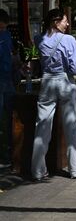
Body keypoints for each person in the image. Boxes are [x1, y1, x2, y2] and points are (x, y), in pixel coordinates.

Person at [32, 8, 76, 181]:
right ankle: (74, 169)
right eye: (65, 20)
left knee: (42, 126)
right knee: (72, 126)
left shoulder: (39, 39)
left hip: (46, 81)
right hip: (65, 82)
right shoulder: (69, 40)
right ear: (56, 22)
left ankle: (38, 170)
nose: (68, 23)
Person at [0, 9, 15, 166]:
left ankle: (10, 149)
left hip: (7, 78)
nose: (3, 31)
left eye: (4, 28)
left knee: (11, 115)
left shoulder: (7, 36)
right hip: (3, 78)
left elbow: (9, 55)